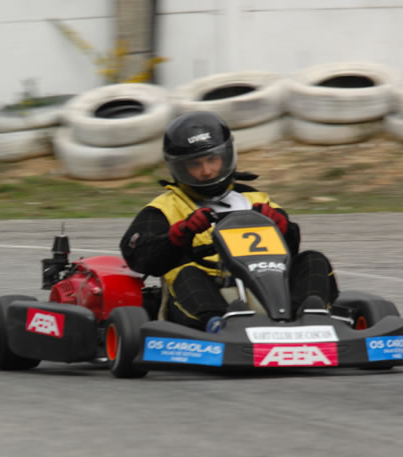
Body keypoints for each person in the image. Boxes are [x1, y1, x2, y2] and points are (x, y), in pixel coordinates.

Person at [120, 111, 338, 331]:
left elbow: (290, 249)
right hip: (207, 293)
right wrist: (181, 233)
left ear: (226, 156)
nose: (206, 171)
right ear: (179, 168)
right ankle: (218, 327)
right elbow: (139, 256)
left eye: (212, 160)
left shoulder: (254, 199)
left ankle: (310, 318)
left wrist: (281, 226)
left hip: (268, 284)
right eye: (195, 164)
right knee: (183, 272)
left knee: (313, 259)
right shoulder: (164, 208)